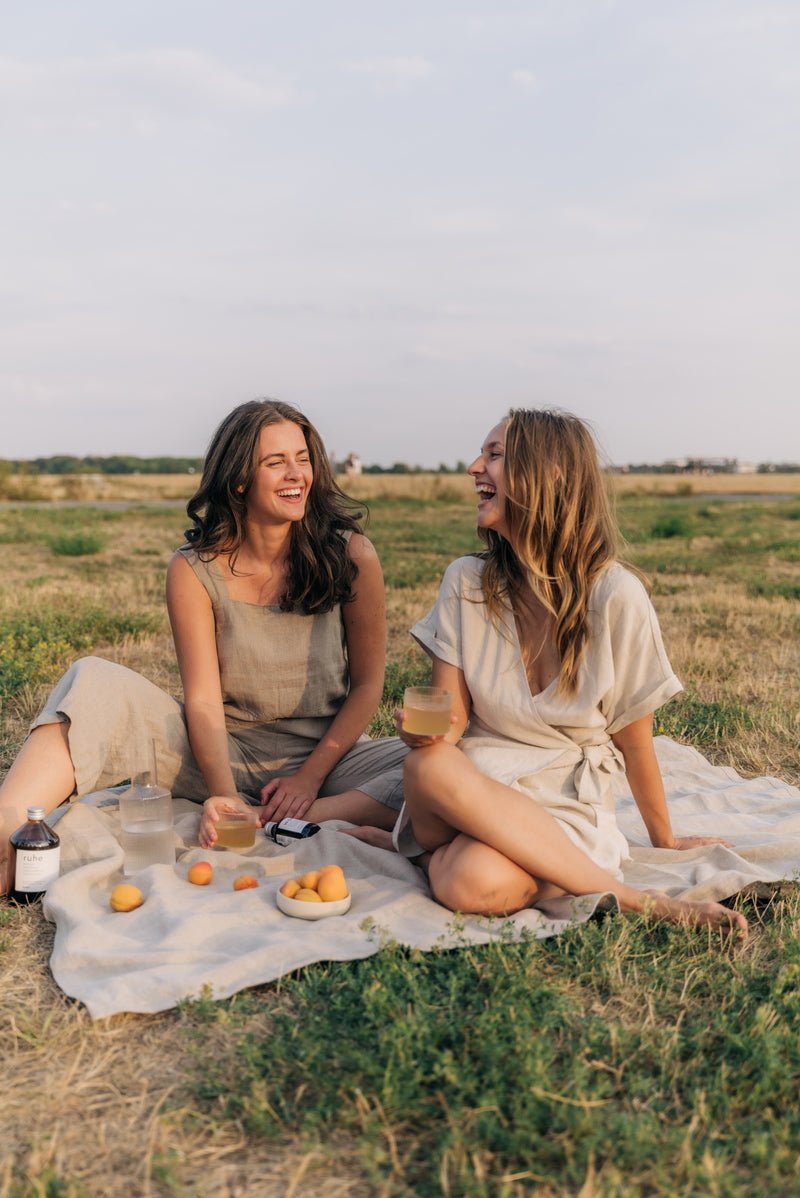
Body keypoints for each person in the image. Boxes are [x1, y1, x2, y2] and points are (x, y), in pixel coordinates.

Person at [347, 408, 747, 934]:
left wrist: (665, 839)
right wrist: (423, 733)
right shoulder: (466, 581)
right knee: (429, 765)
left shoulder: (615, 595)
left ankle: (426, 857)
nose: (473, 467)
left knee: (473, 886)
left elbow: (634, 737)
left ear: (549, 476)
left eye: (494, 455)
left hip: (562, 798)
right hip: (471, 785)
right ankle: (635, 900)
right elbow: (451, 723)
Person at [0, 399, 406, 894]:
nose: (296, 473)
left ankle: (294, 816)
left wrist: (309, 781)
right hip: (216, 748)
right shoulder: (194, 569)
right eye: (276, 462)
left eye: (303, 458)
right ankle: (9, 839)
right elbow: (203, 699)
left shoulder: (351, 554)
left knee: (445, 760)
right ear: (239, 480)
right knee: (91, 683)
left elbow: (368, 686)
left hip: (328, 757)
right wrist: (221, 794)